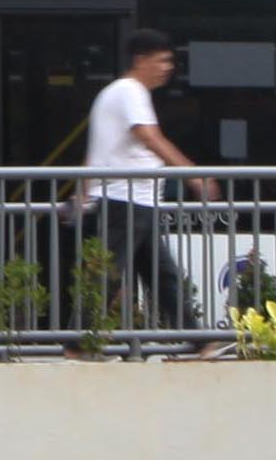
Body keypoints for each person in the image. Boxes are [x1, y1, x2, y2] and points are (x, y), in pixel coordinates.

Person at [83, 30, 217, 331]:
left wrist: (86, 193)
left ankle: (197, 338)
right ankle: (78, 341)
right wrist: (193, 174)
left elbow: (96, 151)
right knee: (109, 275)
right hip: (126, 199)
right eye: (162, 60)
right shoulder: (130, 91)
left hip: (135, 200)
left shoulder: (118, 93)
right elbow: (149, 136)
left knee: (159, 275)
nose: (167, 67)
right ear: (140, 59)